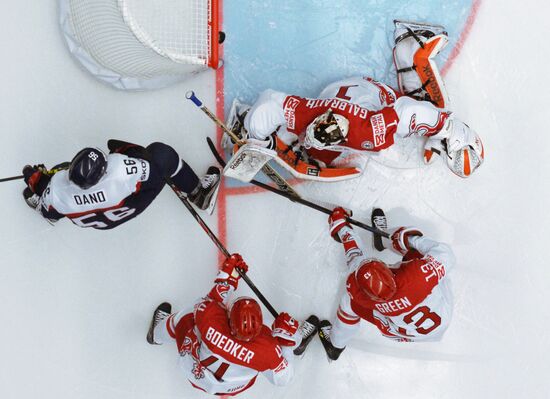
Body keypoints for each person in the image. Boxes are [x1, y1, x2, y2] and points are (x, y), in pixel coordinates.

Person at [228, 21, 484, 179]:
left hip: (368, 96)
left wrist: (446, 129)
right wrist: (257, 138)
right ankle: (288, 140)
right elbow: (271, 102)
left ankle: (411, 48)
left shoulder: (375, 131)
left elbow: (406, 111)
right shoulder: (311, 113)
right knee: (315, 150)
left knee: (428, 109)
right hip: (339, 96)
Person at [295, 207, 456, 361]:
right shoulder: (418, 275)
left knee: (348, 304)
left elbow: (355, 257)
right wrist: (410, 239)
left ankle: (335, 346)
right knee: (416, 250)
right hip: (440, 317)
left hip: (400, 330)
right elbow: (446, 254)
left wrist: (342, 229)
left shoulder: (360, 295)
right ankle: (385, 239)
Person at [146, 254, 305, 396]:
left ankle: (157, 334)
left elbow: (212, 300)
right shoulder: (268, 350)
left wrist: (228, 279)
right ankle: (288, 342)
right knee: (275, 348)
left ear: (229, 319)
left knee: (187, 316)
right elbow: (283, 380)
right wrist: (285, 343)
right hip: (234, 387)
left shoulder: (211, 320)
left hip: (195, 372)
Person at [21, 140, 220, 229]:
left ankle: (43, 208)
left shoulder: (57, 189)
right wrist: (126, 150)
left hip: (100, 221)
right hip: (131, 203)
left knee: (55, 196)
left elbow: (51, 184)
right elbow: (143, 158)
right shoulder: (119, 170)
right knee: (161, 154)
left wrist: (38, 181)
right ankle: (198, 192)